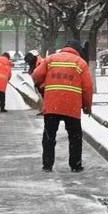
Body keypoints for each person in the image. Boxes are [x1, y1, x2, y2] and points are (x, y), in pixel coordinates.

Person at [32, 39, 93, 172]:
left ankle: (47, 165)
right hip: (71, 106)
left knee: (49, 136)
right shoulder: (80, 63)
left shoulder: (50, 59)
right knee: (75, 137)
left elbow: (36, 75)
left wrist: (43, 86)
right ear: (77, 51)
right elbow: (87, 88)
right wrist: (87, 106)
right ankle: (75, 165)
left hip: (52, 105)